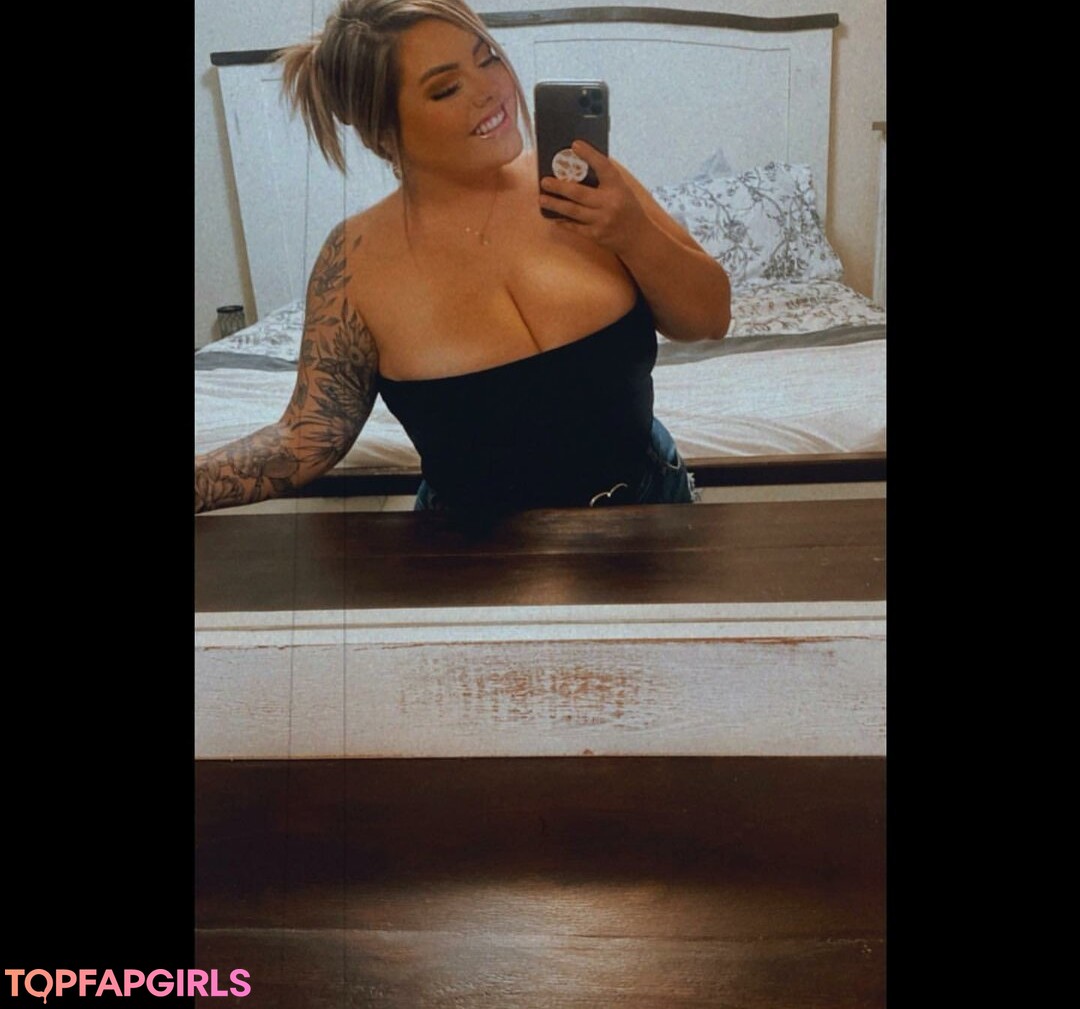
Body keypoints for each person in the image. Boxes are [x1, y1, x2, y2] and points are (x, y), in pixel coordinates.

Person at [194, 0, 730, 515]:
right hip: (475, 554)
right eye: (447, 88)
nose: (490, 90)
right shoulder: (353, 264)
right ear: (382, 132)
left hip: (652, 514)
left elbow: (710, 319)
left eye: (487, 57)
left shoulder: (581, 184)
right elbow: (308, 436)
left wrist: (634, 233)